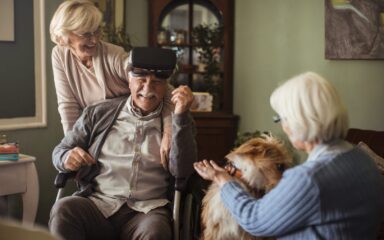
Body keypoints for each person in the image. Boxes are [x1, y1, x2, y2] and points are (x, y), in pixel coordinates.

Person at [194, 72, 384, 239]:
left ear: (300, 121)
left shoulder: (309, 179)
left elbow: (255, 221)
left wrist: (223, 179)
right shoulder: (362, 159)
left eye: (281, 118)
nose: (282, 126)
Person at [49, 47, 197, 240]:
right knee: (64, 209)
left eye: (157, 82)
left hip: (147, 211)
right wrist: (66, 157)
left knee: (156, 232)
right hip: (99, 204)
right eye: (141, 80)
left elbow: (183, 171)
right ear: (129, 80)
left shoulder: (178, 121)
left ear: (167, 86)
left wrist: (179, 118)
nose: (147, 89)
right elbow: (60, 150)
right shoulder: (98, 113)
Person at [49, 0, 173, 167]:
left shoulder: (114, 56)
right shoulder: (59, 55)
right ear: (65, 35)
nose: (94, 40)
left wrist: (168, 133)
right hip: (97, 132)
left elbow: (164, 88)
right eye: (86, 34)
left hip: (131, 130)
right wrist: (74, 148)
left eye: (97, 31)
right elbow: (67, 105)